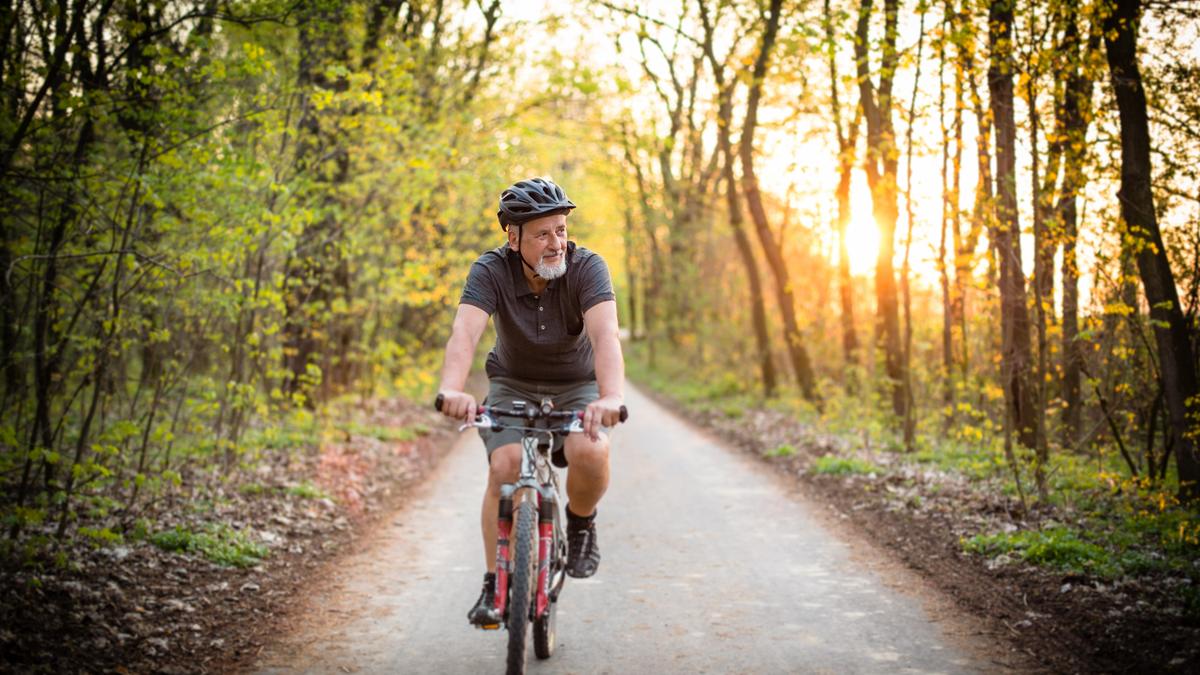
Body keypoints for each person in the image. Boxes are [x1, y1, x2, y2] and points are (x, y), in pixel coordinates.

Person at [435, 177, 626, 627]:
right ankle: (493, 583)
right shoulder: (490, 270)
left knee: (590, 451)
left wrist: (612, 396)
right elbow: (465, 332)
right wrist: (452, 388)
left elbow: (605, 336)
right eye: (543, 234)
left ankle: (580, 522)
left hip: (576, 384)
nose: (556, 242)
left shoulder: (587, 267)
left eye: (560, 229)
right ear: (513, 237)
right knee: (503, 468)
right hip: (513, 384)